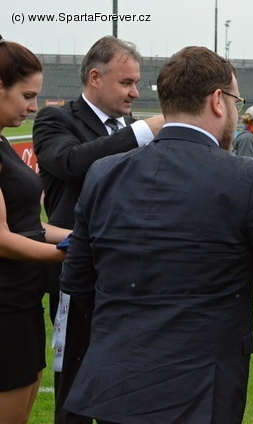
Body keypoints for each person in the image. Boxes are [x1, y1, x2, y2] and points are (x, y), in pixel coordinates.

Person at [59, 46, 253, 424]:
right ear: (217, 101)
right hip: (197, 391)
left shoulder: (103, 172)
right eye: (236, 102)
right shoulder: (246, 177)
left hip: (113, 385)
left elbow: (77, 279)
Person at [32, 35, 164, 424]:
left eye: (136, 83)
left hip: (131, 275)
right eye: (127, 83)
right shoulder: (57, 120)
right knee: (74, 386)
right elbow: (73, 164)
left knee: (122, 385)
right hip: (76, 273)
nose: (135, 92)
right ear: (95, 77)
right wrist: (143, 132)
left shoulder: (134, 128)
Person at [0, 34, 69, 424]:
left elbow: (29, 225)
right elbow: (2, 239)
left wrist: (80, 237)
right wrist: (74, 252)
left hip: (24, 306)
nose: (33, 107)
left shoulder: (2, 144)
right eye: (27, 95)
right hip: (5, 311)